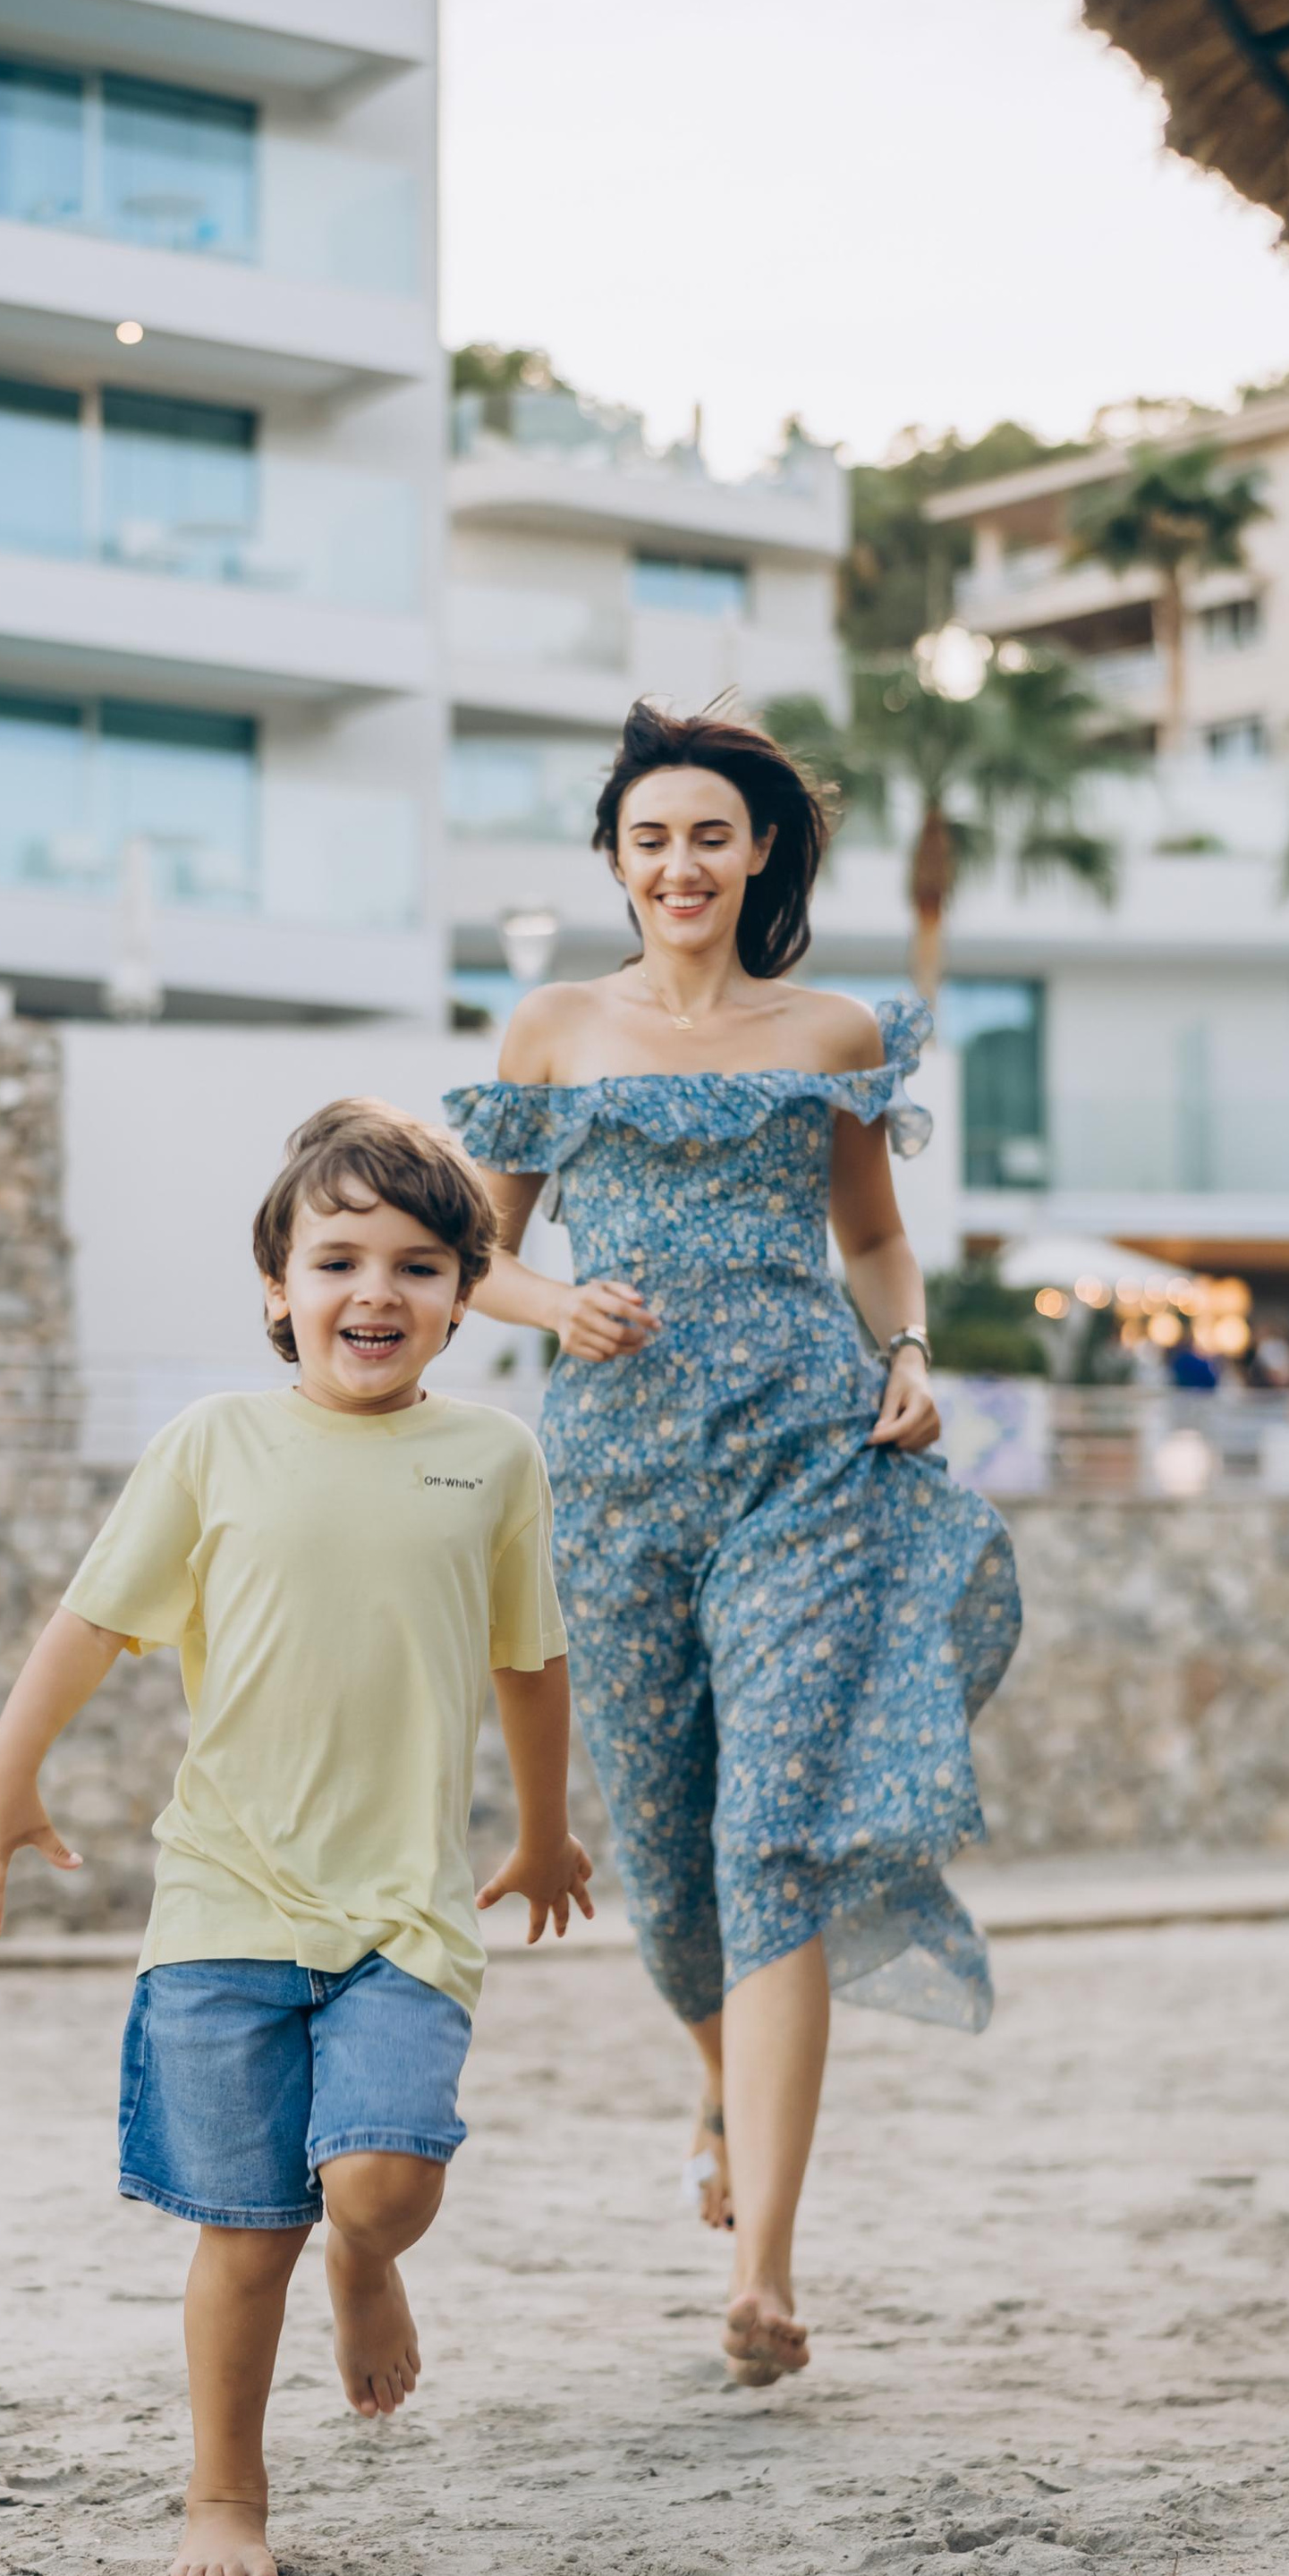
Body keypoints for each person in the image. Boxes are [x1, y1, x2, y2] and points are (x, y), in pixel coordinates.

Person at [0, 1100, 590, 2576]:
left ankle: (372, 2265)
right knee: (245, 2232)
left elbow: (529, 1663)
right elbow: (91, 1622)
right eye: (339, 1259)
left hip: (403, 1917)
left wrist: (546, 1836)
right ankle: (225, 2496)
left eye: (420, 1267)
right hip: (225, 1905)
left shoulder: (494, 1460)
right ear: (278, 1290)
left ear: (464, 1298)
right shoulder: (212, 1444)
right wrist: (1, 1780)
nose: (378, 1293)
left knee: (383, 2185)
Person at [446, 701, 1020, 2389]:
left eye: (711, 835)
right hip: (615, 1484)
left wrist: (909, 1363)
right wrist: (560, 1301)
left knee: (777, 1839)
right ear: (617, 864)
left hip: (807, 1466)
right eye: (651, 840)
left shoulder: (833, 1030)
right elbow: (472, 1256)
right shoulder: (553, 1028)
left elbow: (880, 1242)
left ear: (759, 850)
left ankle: (765, 2268)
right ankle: (715, 2077)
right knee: (675, 1879)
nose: (681, 864)